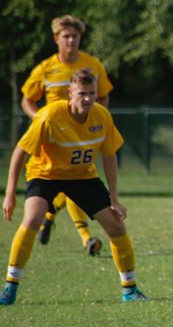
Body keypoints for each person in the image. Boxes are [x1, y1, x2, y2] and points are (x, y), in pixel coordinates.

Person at [1, 69, 147, 305]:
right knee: (32, 219)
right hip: (46, 175)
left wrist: (115, 199)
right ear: (70, 93)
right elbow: (20, 152)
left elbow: (109, 157)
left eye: (92, 93)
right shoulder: (49, 116)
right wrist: (9, 194)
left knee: (116, 225)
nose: (88, 99)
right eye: (82, 93)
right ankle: (10, 288)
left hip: (82, 177)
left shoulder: (102, 116)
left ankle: (130, 290)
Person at [20, 15, 114, 256]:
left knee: (76, 180)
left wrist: (96, 118)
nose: (71, 40)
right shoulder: (45, 68)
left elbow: (103, 96)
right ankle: (76, 231)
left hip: (82, 136)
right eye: (66, 36)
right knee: (66, 183)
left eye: (75, 36)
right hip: (53, 139)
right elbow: (27, 99)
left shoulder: (93, 65)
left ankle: (75, 232)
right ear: (56, 39)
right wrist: (40, 120)